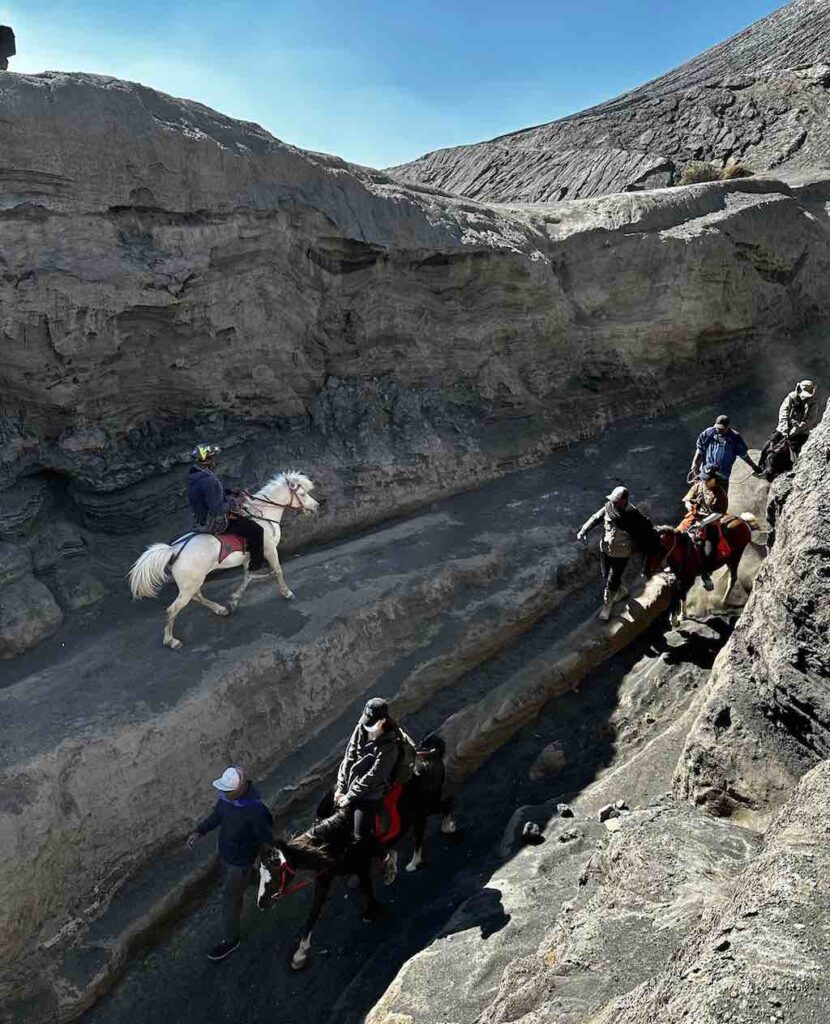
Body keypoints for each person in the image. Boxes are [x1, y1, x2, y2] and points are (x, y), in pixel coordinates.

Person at [187, 766, 273, 961]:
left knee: (230, 901)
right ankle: (265, 884)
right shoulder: (227, 799)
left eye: (227, 790)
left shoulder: (256, 810)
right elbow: (217, 816)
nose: (223, 793)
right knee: (246, 881)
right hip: (227, 854)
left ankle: (232, 939)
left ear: (240, 789)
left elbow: (265, 837)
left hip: (240, 862)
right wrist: (200, 831)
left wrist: (261, 857)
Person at [187, 443, 270, 578]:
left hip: (201, 518)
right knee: (256, 530)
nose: (214, 460)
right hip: (216, 521)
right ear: (207, 460)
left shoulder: (195, 475)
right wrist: (234, 501)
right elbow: (217, 509)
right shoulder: (208, 480)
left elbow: (210, 494)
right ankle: (256, 567)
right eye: (212, 457)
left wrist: (231, 492)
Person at [576, 486, 655, 621]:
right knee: (606, 574)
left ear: (624, 501)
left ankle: (607, 606)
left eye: (616, 501)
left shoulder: (633, 514)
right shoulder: (608, 508)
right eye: (613, 500)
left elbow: (646, 528)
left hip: (622, 553)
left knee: (612, 579)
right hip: (606, 549)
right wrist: (583, 530)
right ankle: (621, 590)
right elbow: (596, 518)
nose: (613, 503)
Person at [334, 698, 405, 847]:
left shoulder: (390, 745)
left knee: (360, 838)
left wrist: (350, 796)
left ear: (382, 720)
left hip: (371, 791)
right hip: (350, 783)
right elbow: (349, 756)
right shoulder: (361, 728)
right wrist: (340, 788)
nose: (367, 724)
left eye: (371, 721)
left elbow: (375, 775)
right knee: (323, 810)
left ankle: (378, 861)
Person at [681, 466, 728, 591]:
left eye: (707, 480)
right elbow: (687, 499)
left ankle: (706, 575)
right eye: (703, 479)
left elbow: (718, 513)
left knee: (709, 551)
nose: (705, 481)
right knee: (676, 534)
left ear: (714, 479)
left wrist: (703, 522)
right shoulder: (698, 486)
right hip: (694, 517)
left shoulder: (720, 493)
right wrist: (689, 506)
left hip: (710, 523)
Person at [689, 415, 761, 490]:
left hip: (722, 474)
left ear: (727, 427)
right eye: (717, 428)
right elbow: (700, 448)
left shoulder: (735, 438)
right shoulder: (708, 433)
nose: (719, 430)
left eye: (722, 429)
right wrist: (695, 462)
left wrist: (754, 466)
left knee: (718, 495)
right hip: (706, 470)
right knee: (698, 492)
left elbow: (744, 455)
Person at [760, 380, 818, 466]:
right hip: (784, 428)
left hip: (801, 431)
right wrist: (784, 429)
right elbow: (784, 413)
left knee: (795, 449)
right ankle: (761, 468)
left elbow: (810, 420)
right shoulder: (791, 398)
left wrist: (797, 428)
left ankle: (792, 469)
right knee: (769, 445)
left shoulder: (813, 403)